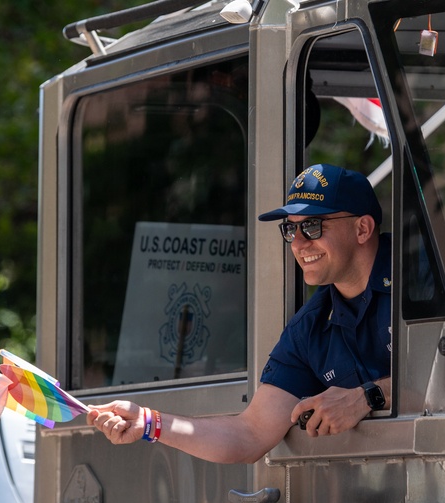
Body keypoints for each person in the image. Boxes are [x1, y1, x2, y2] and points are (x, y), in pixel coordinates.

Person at [88, 163, 391, 463]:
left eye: (312, 226)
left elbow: (440, 377)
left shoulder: (424, 281)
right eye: (289, 229)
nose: (298, 243)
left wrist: (367, 396)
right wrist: (149, 422)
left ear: (362, 228)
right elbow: (249, 433)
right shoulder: (308, 328)